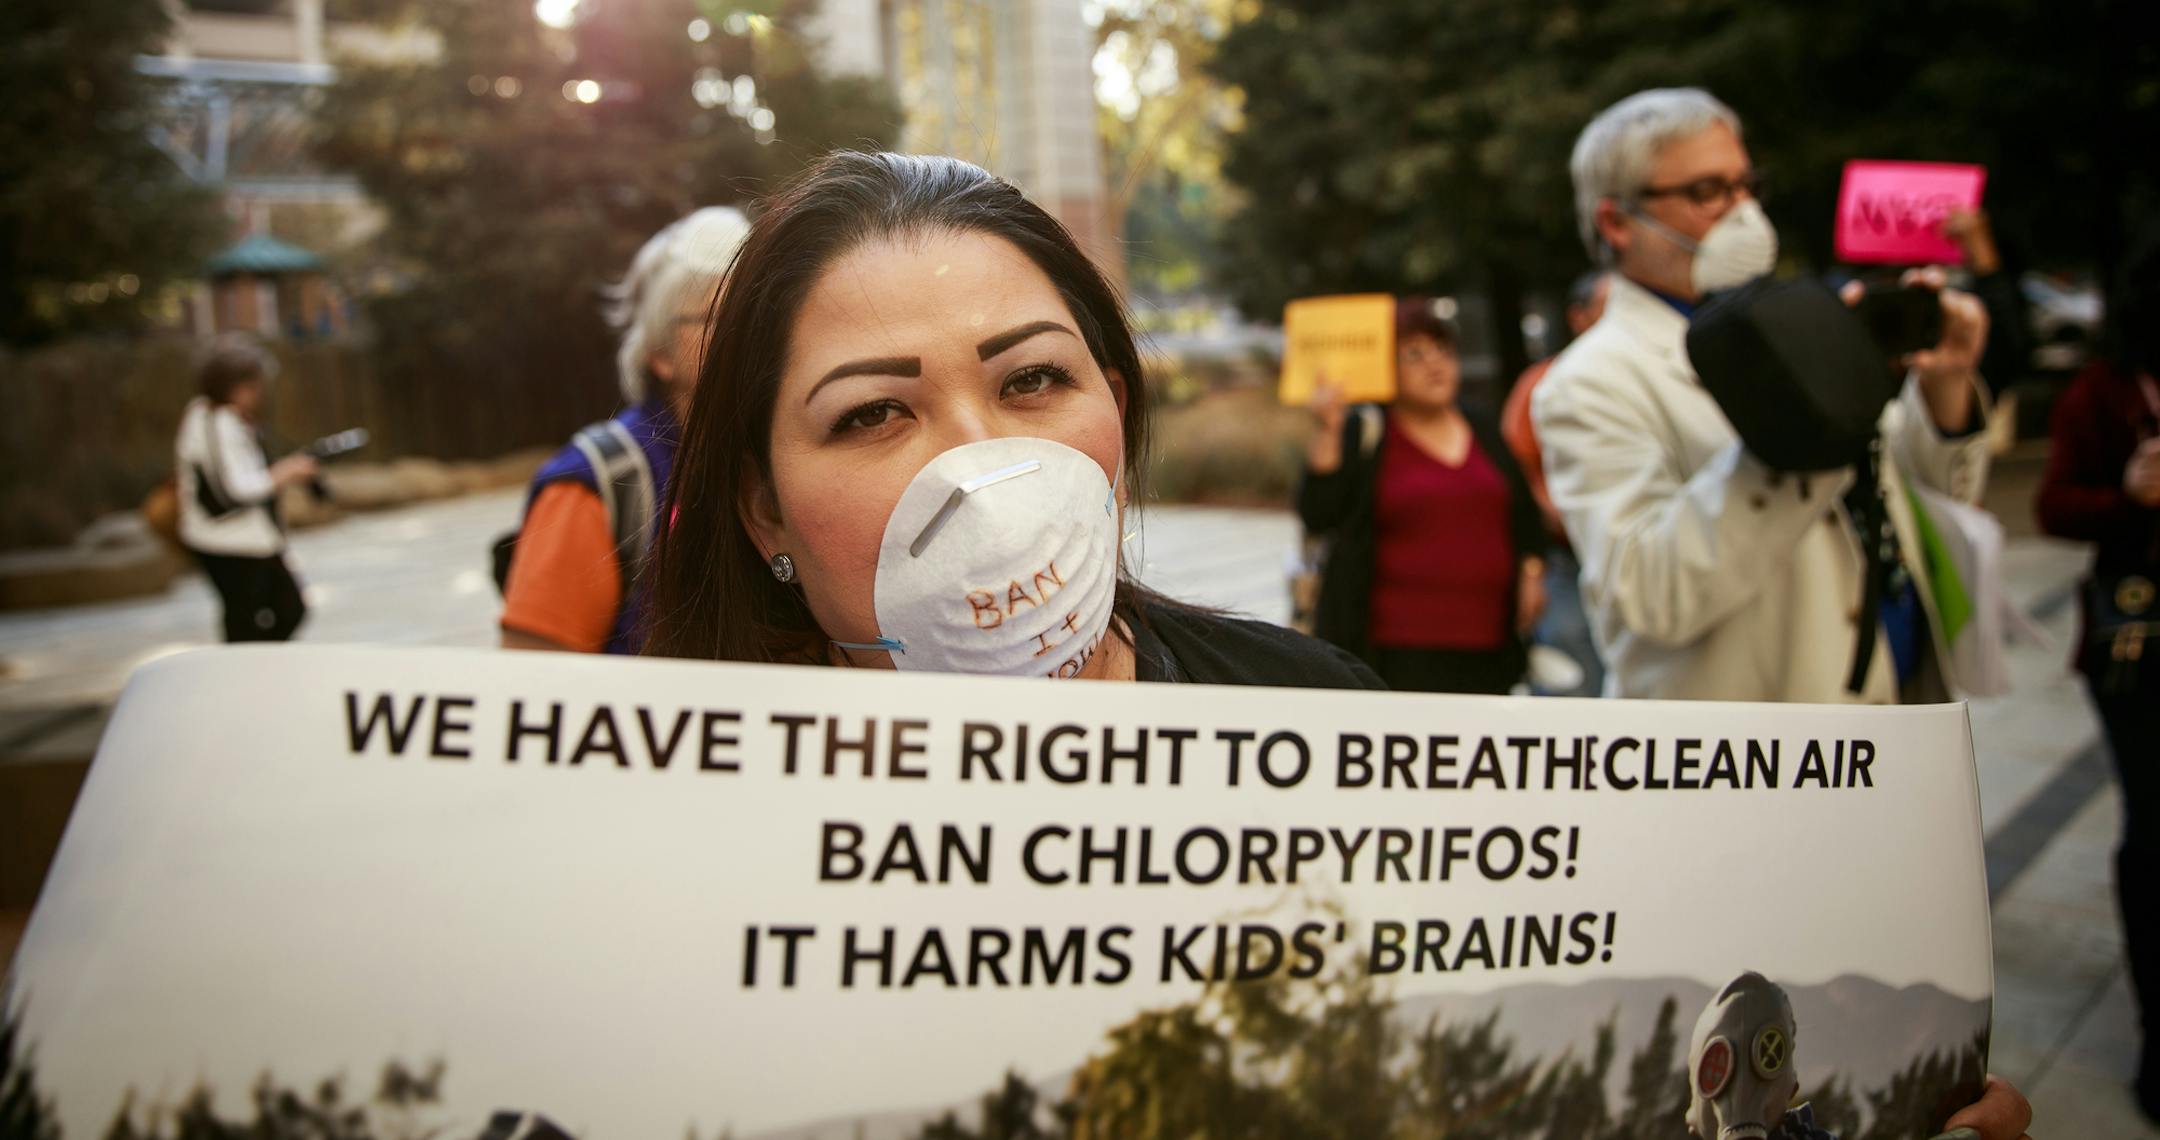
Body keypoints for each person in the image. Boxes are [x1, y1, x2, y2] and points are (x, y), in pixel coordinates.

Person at [642, 152, 1378, 689]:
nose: (980, 465)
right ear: (765, 508)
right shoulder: (691, 851)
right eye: (871, 414)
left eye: (1032, 378)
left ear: (1116, 414)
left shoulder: (1315, 717)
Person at [1531, 88, 1993, 703]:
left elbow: (1922, 492)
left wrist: (1944, 385)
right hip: (1765, 752)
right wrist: (1798, 434)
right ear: (1616, 222)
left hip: (1901, 699)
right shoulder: (1590, 381)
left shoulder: (1794, 318)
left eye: (1746, 185)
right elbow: (1649, 594)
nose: (1741, 211)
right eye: (1706, 192)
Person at [499, 206, 751, 653]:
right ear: (660, 352)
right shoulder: (595, 484)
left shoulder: (796, 457)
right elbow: (532, 687)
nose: (744, 332)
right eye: (714, 316)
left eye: (754, 311)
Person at [2036, 223, 2160, 1123]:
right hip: (2138, 645)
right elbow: (2053, 505)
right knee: (2154, 832)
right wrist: (2130, 495)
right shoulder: (2102, 393)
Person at [1296, 299, 1546, 693]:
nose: (1436, 364)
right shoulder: (1367, 431)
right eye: (1414, 355)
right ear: (1385, 366)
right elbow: (1318, 513)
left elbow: (1523, 515)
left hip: (1489, 646)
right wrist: (1327, 431)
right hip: (1391, 652)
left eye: (1444, 351)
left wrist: (1531, 572)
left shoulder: (1481, 425)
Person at [1503, 270, 1610, 696]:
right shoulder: (1542, 386)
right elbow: (1514, 469)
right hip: (1566, 558)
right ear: (1578, 317)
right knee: (1572, 679)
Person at [173, 334, 319, 642]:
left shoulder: (224, 419)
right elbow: (234, 490)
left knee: (280, 612)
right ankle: (247, 679)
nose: (257, 393)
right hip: (226, 541)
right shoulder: (213, 422)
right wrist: (285, 473)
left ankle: (256, 674)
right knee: (250, 620)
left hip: (249, 539)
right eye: (252, 385)